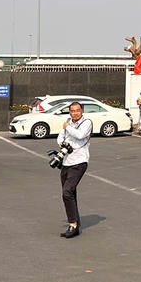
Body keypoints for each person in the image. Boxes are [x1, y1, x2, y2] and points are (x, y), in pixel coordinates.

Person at [58, 102, 92, 238]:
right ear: (69, 112)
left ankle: (72, 224)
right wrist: (61, 143)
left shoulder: (87, 122)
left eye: (78, 110)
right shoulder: (68, 121)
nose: (75, 113)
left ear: (82, 111)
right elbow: (61, 136)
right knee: (71, 193)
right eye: (72, 111)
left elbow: (79, 135)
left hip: (80, 162)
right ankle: (76, 224)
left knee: (67, 192)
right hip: (66, 162)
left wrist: (67, 127)